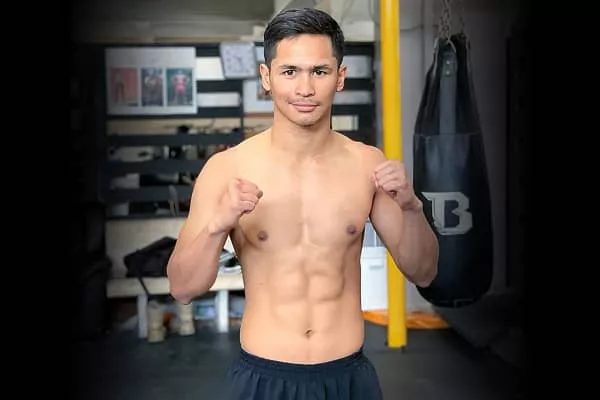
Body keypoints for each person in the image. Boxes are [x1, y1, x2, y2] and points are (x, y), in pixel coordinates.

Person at [166, 7, 439, 400]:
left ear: (340, 77)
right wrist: (217, 225)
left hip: (347, 377)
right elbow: (182, 288)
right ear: (267, 77)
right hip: (262, 378)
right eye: (290, 71)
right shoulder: (227, 168)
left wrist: (412, 208)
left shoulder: (367, 165)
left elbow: (424, 272)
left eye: (320, 71)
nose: (305, 89)